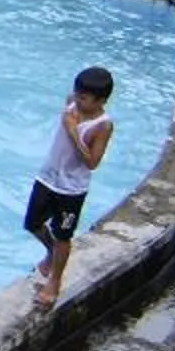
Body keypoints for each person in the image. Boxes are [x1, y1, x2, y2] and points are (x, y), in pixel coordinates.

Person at [24, 66, 115, 311]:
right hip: (47, 178)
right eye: (77, 94)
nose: (77, 99)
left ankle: (54, 281)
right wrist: (71, 116)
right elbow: (71, 106)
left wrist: (73, 131)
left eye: (84, 98)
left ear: (101, 101)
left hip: (71, 189)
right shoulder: (71, 104)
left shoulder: (102, 126)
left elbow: (92, 163)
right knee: (32, 224)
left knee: (63, 235)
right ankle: (52, 252)